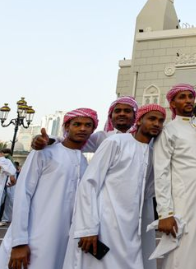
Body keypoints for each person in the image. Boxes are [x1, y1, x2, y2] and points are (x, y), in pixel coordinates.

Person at [63, 104, 164, 269]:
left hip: (131, 228)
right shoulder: (115, 142)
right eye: (151, 119)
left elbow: (148, 193)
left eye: (160, 121)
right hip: (104, 224)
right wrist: (88, 228)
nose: (156, 124)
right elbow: (89, 183)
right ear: (138, 121)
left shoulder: (153, 153)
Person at [0, 108, 97, 269]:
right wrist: (19, 241)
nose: (82, 128)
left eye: (88, 125)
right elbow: (23, 194)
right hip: (32, 236)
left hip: (62, 240)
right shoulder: (44, 152)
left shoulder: (84, 162)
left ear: (92, 130)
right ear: (67, 127)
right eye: (77, 124)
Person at [155, 84, 196, 269]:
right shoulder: (169, 130)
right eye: (182, 97)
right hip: (186, 200)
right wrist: (165, 213)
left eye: (190, 96)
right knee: (185, 247)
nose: (188, 100)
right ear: (173, 103)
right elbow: (161, 172)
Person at [32, 96, 138, 153]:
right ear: (111, 116)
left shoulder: (142, 137)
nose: (122, 114)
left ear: (135, 115)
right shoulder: (102, 137)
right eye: (118, 111)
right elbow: (68, 142)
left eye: (127, 111)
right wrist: (47, 140)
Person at [0, 148, 15, 227]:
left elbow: (10, 171)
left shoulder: (6, 160)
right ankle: (3, 219)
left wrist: (11, 177)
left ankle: (3, 219)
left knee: (3, 203)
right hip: (4, 185)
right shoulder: (7, 160)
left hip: (5, 185)